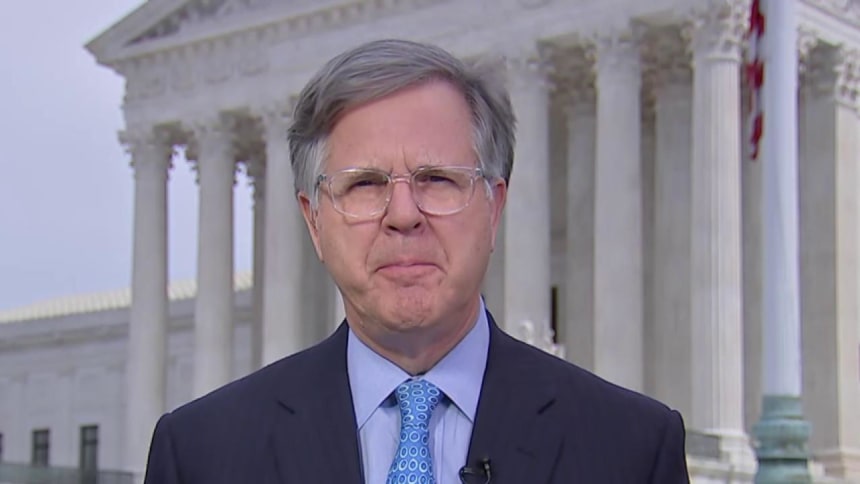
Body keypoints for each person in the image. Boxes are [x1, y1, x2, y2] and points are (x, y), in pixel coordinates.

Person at [143, 39, 690, 484]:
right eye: (364, 184)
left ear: (494, 207)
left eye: (437, 179)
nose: (403, 215)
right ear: (313, 221)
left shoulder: (632, 452)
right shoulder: (201, 456)